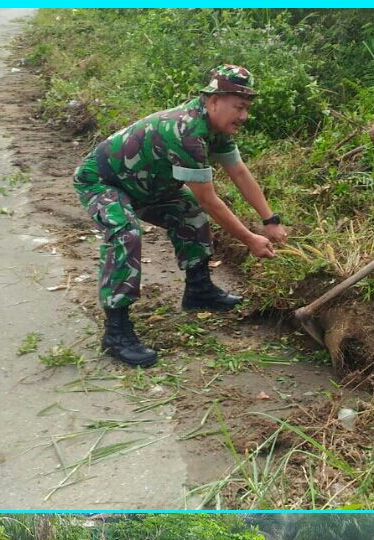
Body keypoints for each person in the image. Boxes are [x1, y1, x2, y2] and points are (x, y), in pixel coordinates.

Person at [73, 65, 288, 367]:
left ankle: (199, 290)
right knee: (126, 233)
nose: (244, 116)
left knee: (189, 213)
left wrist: (270, 220)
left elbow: (239, 172)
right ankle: (116, 331)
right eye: (239, 107)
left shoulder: (216, 128)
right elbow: (211, 200)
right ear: (214, 100)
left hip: (148, 184)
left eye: (247, 108)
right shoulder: (186, 132)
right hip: (104, 181)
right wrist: (251, 239)